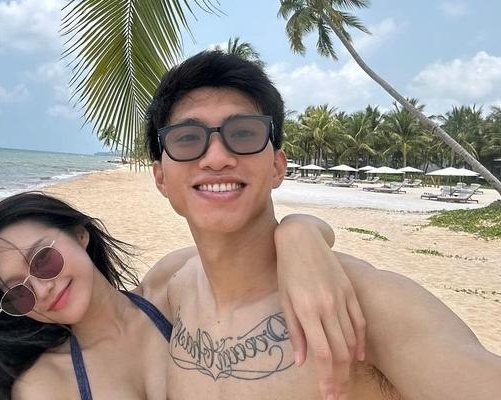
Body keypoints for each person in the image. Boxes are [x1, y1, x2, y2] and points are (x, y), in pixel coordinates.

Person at [145, 50, 501, 400]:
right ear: (161, 177)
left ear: (277, 167)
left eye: (244, 134)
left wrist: (298, 229)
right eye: (187, 138)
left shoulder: (363, 304)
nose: (217, 158)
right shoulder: (171, 284)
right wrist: (302, 229)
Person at [0, 191, 362, 399]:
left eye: (43, 259)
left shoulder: (172, 288)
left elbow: (260, 248)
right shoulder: (44, 385)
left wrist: (296, 233)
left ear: (80, 235)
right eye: (19, 293)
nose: (42, 288)